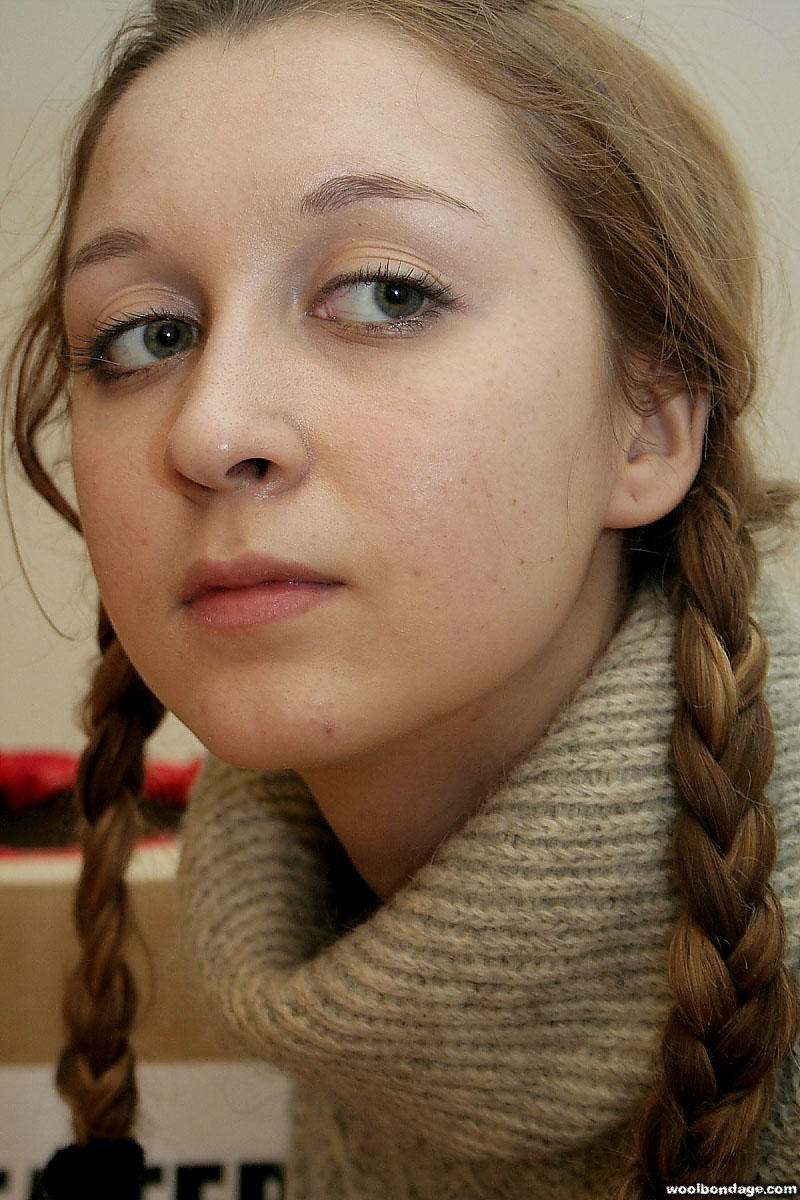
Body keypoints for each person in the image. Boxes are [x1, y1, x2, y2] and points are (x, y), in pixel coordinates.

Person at [3, 0, 799, 1196]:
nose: (209, 430)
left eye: (383, 295)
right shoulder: (320, 910)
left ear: (647, 423)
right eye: (146, 335)